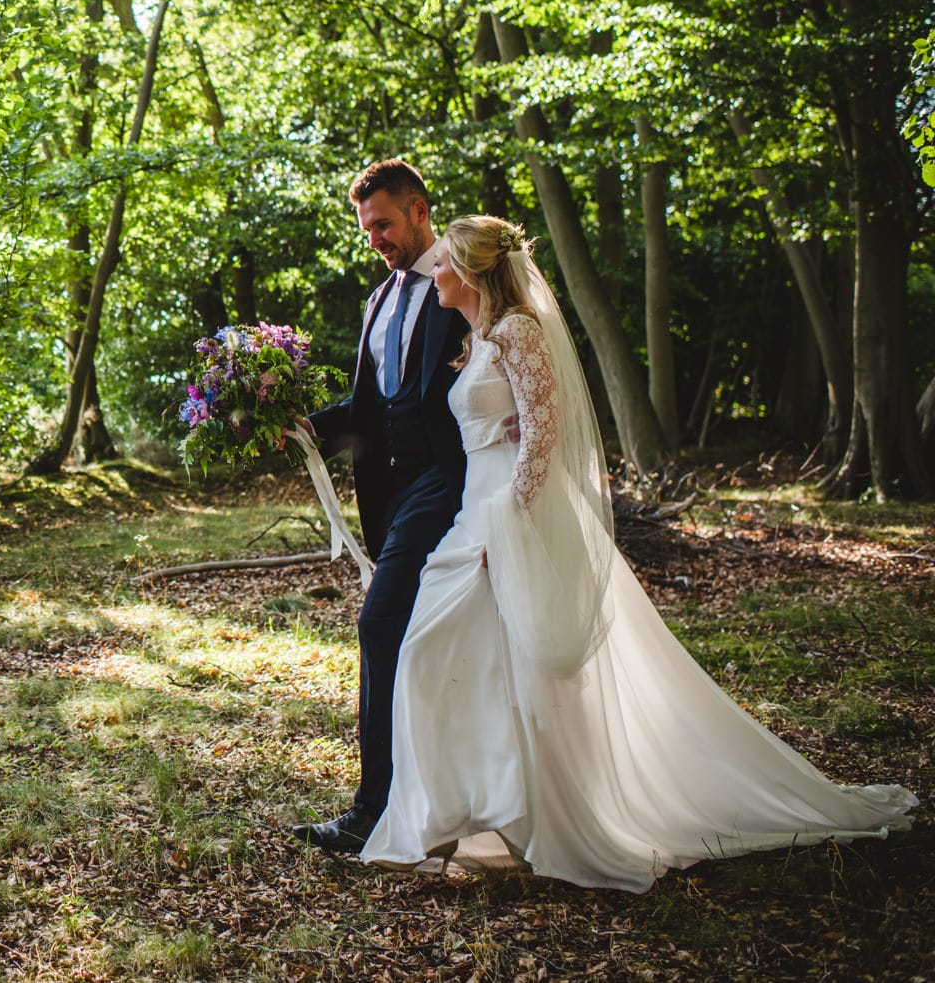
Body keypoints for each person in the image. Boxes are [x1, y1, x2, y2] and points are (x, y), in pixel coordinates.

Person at [359, 215, 916, 890]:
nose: (435, 272)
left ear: (473, 269)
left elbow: (543, 435)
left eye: (445, 263)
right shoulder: (479, 338)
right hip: (473, 515)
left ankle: (527, 813)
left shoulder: (517, 332)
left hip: (507, 515)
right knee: (454, 657)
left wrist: (513, 521)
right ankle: (478, 813)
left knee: (493, 662)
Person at [292, 160, 470, 854]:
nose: (376, 240)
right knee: (414, 636)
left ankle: (373, 809)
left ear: (420, 209)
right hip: (390, 495)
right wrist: (303, 426)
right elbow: (365, 408)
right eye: (367, 230)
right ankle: (426, 797)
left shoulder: (463, 285)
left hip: (446, 483)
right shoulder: (377, 302)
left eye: (385, 224)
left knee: (379, 622)